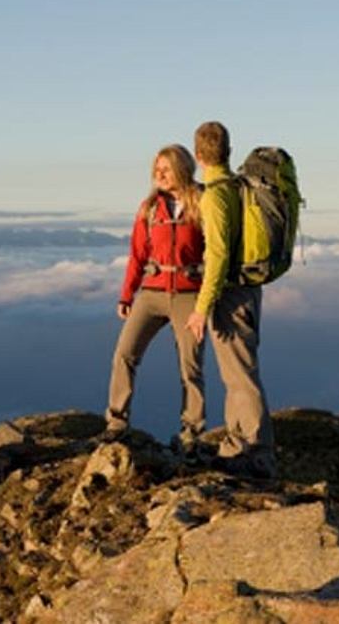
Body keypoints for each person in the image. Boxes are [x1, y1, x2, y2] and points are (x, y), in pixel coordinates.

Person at [184, 121, 276, 477]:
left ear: (198, 156)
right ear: (229, 151)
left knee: (240, 375)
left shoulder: (215, 195)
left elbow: (219, 255)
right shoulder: (237, 187)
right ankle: (237, 446)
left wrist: (201, 308)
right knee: (236, 371)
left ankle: (258, 453)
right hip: (248, 289)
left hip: (231, 295)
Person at [104, 144, 206, 449]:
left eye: (166, 169)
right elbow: (137, 255)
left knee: (191, 366)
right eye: (156, 169)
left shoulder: (203, 203)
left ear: (182, 169)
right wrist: (126, 295)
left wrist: (206, 302)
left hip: (189, 294)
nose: (158, 175)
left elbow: (215, 252)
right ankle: (116, 422)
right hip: (151, 292)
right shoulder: (148, 208)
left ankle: (191, 433)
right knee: (124, 353)